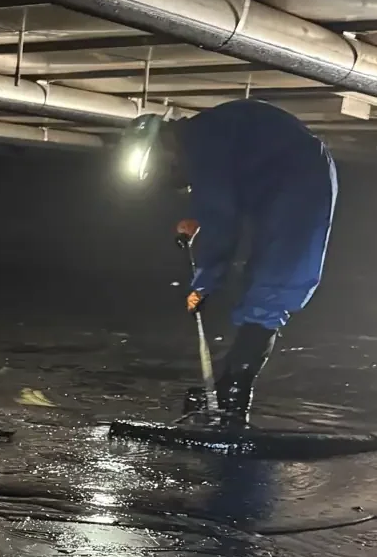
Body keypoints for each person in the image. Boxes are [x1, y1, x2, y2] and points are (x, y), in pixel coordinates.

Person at [124, 100, 337, 423]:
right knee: (261, 287)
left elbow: (221, 219)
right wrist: (200, 226)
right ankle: (225, 392)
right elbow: (218, 205)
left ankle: (234, 403)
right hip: (282, 186)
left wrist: (202, 285)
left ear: (162, 145)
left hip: (302, 186)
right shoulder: (208, 136)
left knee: (273, 290)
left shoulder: (202, 140)